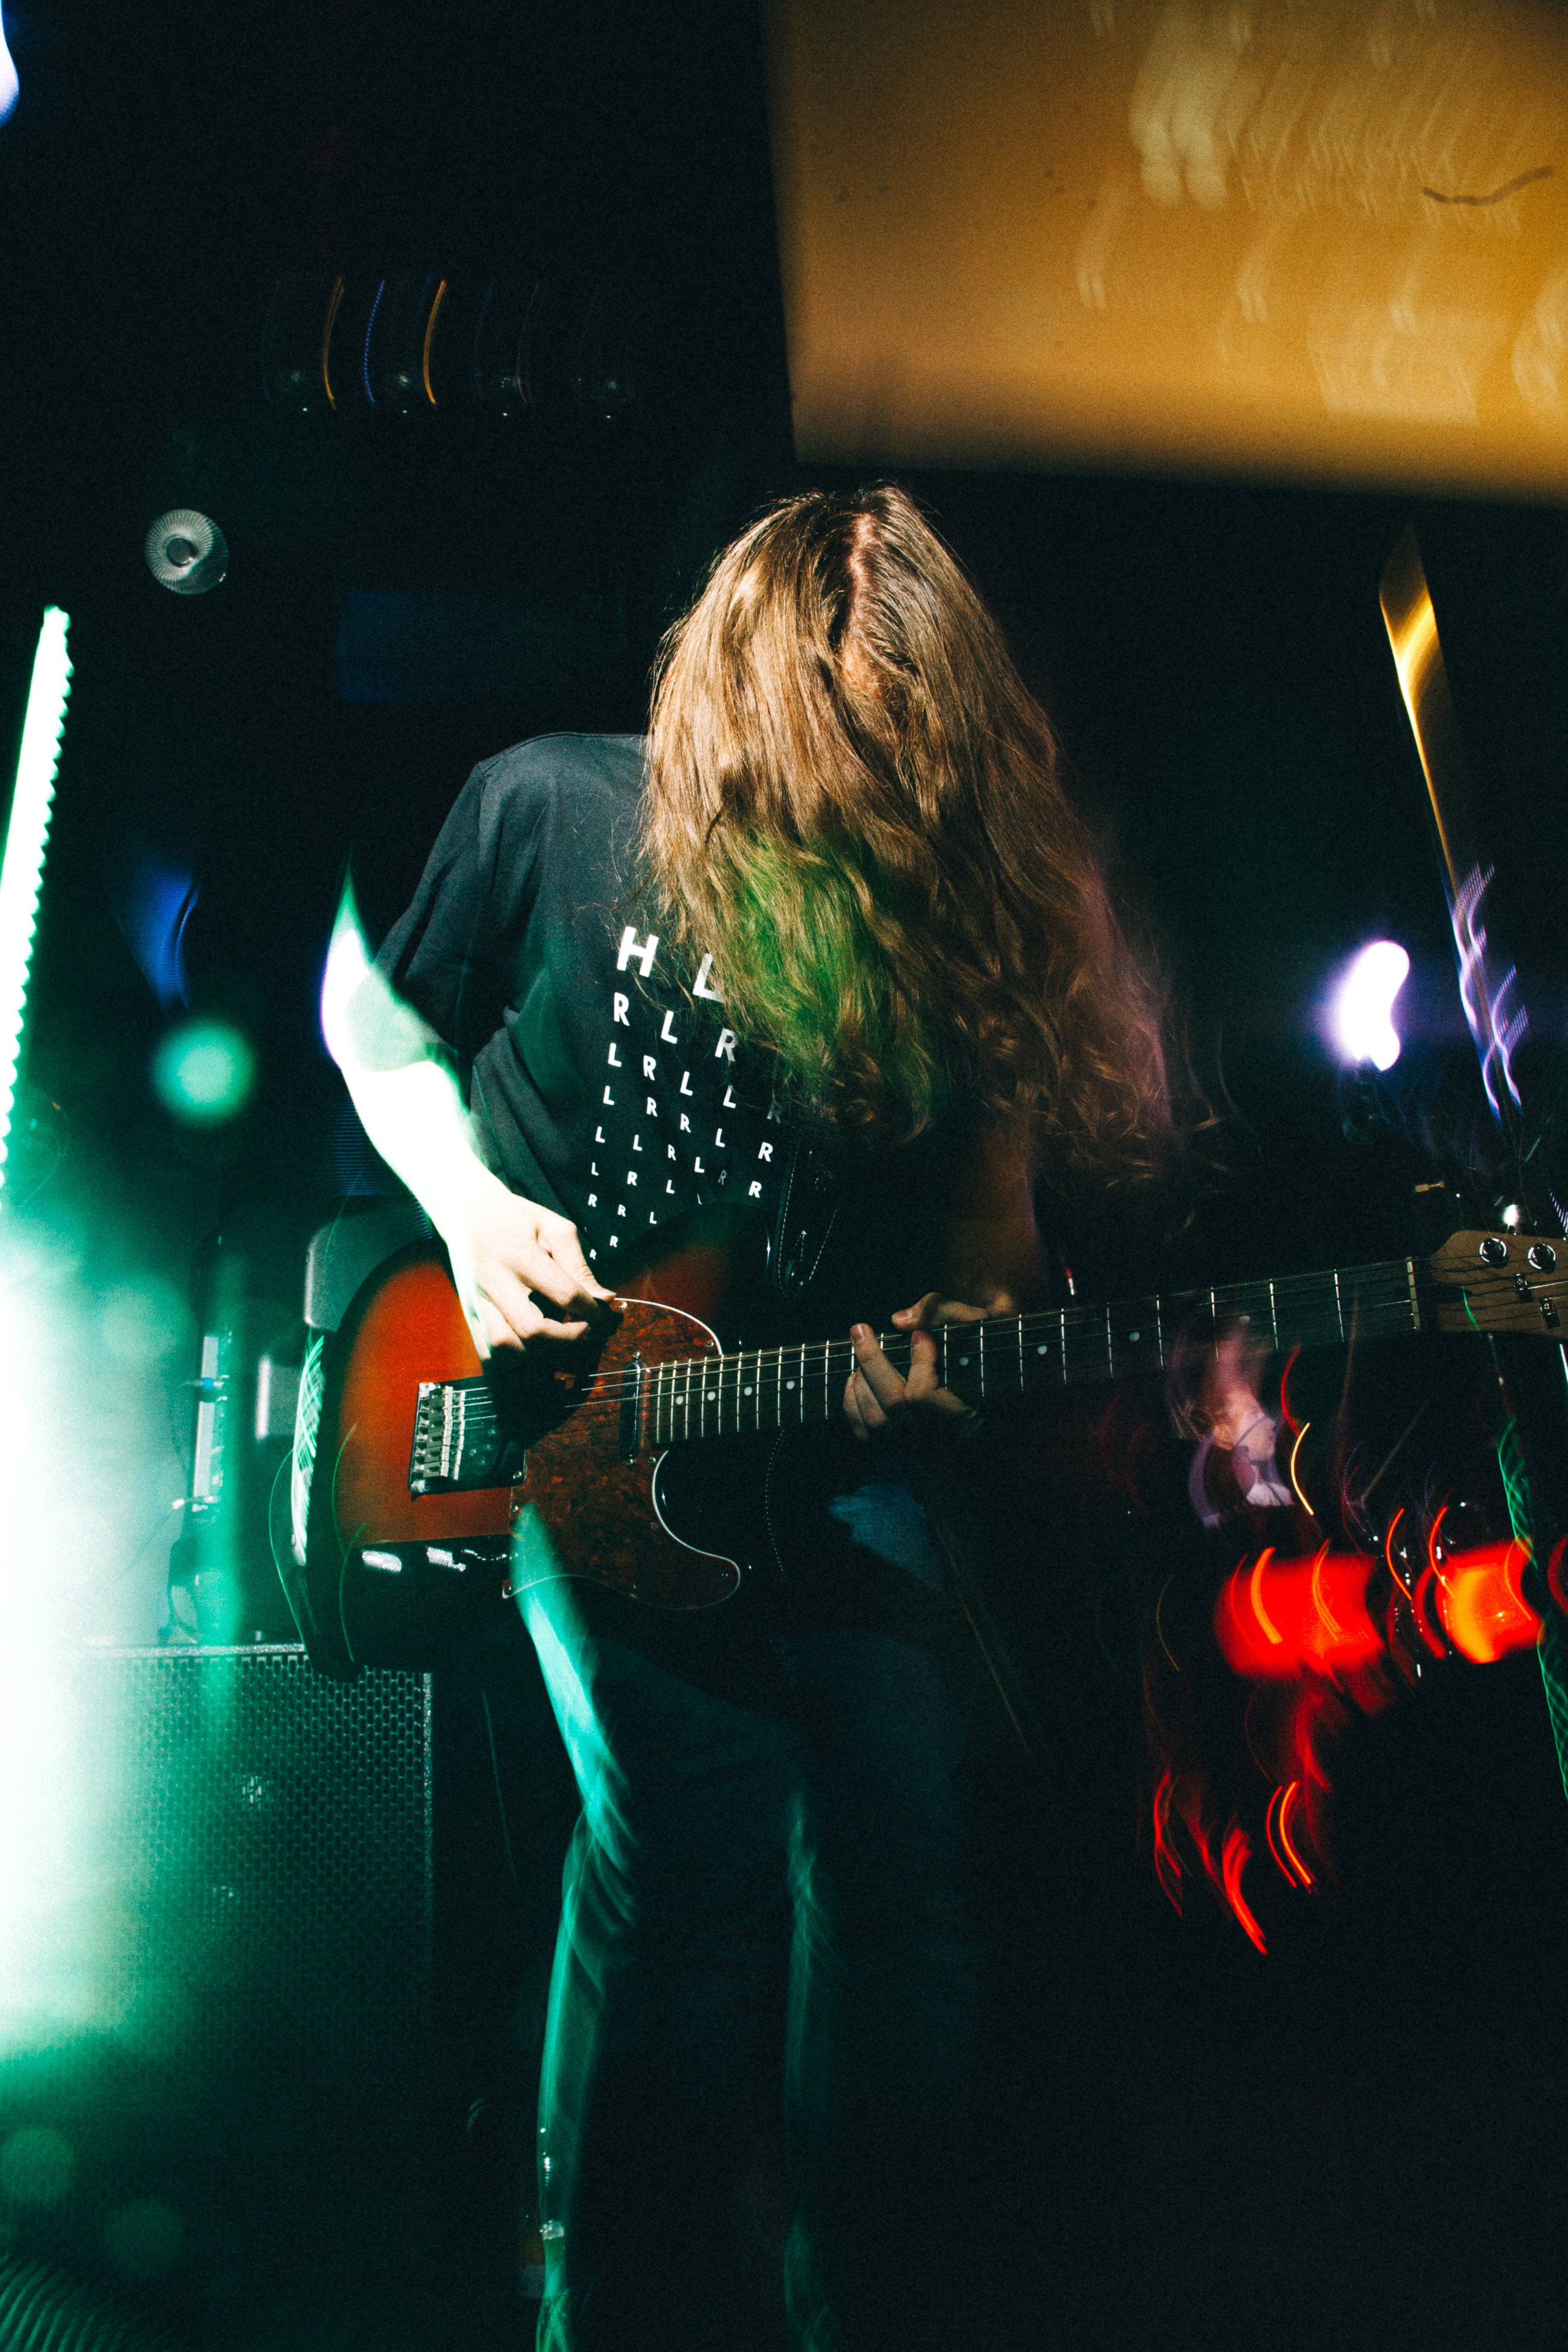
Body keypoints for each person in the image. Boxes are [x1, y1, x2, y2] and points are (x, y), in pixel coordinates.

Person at [329, 485, 1169, 2352]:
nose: (856, 806)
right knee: (695, 1846)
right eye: (827, 756)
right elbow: (370, 1016)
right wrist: (470, 1210)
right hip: (572, 1430)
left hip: (821, 1450)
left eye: (897, 765)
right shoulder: (555, 808)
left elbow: (990, 1252)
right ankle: (611, 2313)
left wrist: (944, 1344)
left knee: (906, 1868)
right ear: (737, 712)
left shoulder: (958, 925)